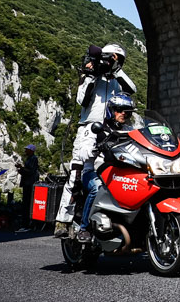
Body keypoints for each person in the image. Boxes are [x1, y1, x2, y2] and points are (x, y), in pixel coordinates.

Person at [54, 42, 136, 236]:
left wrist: (114, 69)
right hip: (88, 129)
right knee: (77, 174)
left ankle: (111, 219)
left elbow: (131, 89)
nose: (110, 62)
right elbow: (82, 100)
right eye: (107, 58)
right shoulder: (89, 76)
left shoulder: (117, 80)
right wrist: (92, 75)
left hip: (112, 131)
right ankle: (63, 221)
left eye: (115, 59)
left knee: (114, 173)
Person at [73, 94, 136, 243]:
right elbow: (82, 150)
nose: (123, 114)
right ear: (111, 110)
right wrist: (93, 150)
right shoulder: (96, 127)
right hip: (94, 171)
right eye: (120, 110)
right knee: (98, 188)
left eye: (127, 112)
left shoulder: (129, 130)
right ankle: (85, 228)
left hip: (118, 172)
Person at [15, 144, 41, 232]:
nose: (25, 151)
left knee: (27, 204)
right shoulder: (30, 159)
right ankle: (26, 224)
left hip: (29, 184)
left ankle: (26, 225)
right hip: (27, 183)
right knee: (26, 204)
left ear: (31, 151)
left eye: (27, 149)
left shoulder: (33, 159)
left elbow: (31, 171)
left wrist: (21, 168)